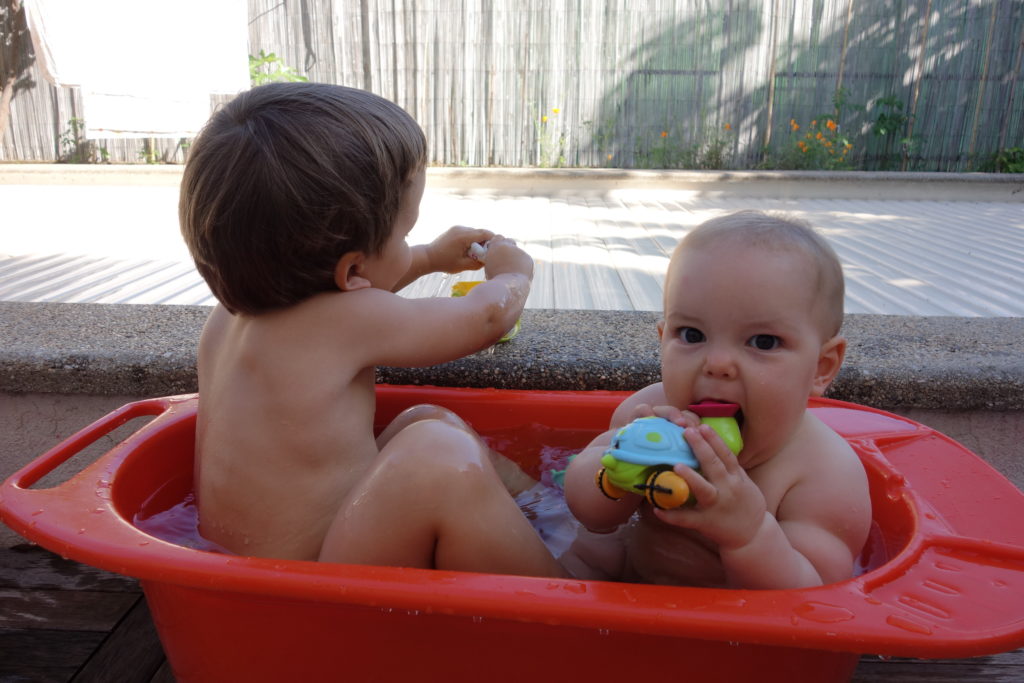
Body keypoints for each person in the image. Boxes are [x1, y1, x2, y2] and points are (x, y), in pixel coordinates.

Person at [179, 82, 565, 577]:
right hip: (310, 589)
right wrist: (512, 276)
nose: (410, 244)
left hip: (236, 564)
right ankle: (562, 579)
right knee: (438, 455)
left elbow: (351, 288)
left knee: (426, 421)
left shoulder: (233, 315)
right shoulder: (344, 323)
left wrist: (427, 257)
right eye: (405, 234)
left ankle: (544, 513)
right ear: (353, 268)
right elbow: (485, 319)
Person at [562, 210, 871, 589]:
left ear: (822, 367)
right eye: (692, 334)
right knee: (588, 555)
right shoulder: (646, 412)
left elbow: (816, 591)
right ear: (663, 339)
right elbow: (588, 513)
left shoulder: (824, 472)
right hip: (625, 580)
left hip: (732, 619)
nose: (718, 363)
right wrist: (618, 474)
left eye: (763, 342)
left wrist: (749, 533)